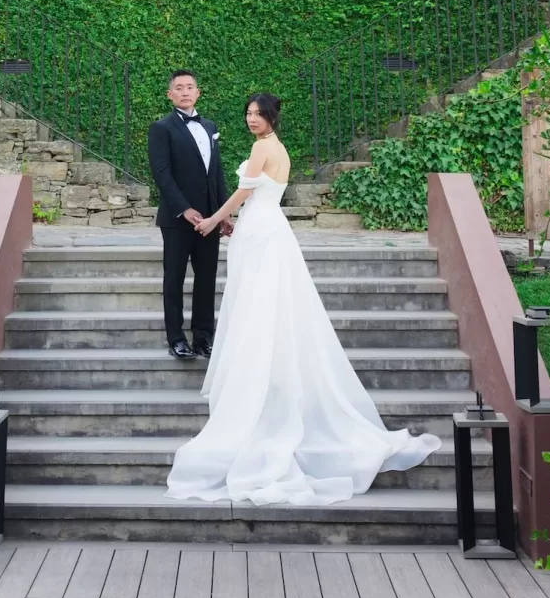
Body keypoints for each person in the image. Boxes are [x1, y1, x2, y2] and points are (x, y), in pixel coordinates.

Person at [166, 91, 442, 505]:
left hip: (259, 226)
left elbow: (242, 194)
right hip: (269, 225)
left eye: (258, 115)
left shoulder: (263, 148)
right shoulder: (280, 148)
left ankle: (259, 377)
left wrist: (212, 221)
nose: (251, 120)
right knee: (266, 300)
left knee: (257, 301)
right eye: (247, 114)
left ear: (272, 117)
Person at [147, 70, 232, 361]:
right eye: (179, 88)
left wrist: (224, 213)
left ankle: (203, 338)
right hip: (176, 219)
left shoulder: (209, 126)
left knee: (206, 279)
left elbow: (216, 173)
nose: (185, 92)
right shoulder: (161, 128)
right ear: (170, 94)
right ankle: (176, 339)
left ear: (198, 92)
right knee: (174, 279)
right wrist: (184, 209)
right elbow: (161, 173)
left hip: (209, 219)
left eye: (190, 87)